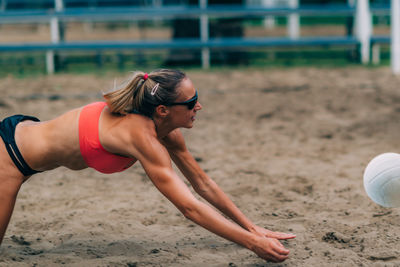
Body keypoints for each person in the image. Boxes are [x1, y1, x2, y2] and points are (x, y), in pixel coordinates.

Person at [0, 69, 295, 263]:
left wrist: (253, 229)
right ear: (163, 110)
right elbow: (189, 208)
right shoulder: (141, 136)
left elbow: (202, 184)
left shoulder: (166, 132)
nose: (199, 107)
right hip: (10, 156)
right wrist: (251, 244)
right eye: (192, 102)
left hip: (26, 141)